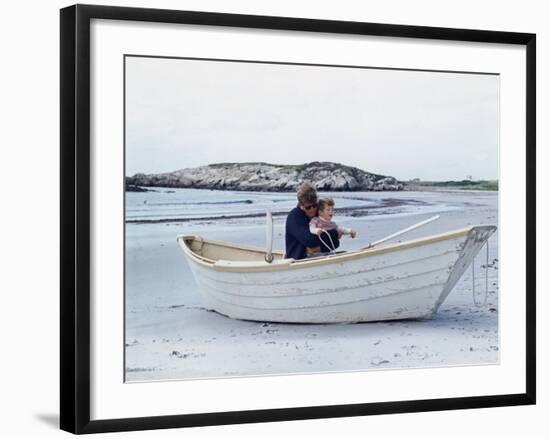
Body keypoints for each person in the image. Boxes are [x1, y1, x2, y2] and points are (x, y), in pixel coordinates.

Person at [284, 182, 340, 259]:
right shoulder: (294, 216)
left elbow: (336, 243)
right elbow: (309, 241)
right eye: (308, 207)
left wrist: (319, 248)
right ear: (301, 205)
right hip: (298, 259)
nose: (312, 209)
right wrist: (335, 233)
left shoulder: (318, 214)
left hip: (319, 256)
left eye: (314, 205)